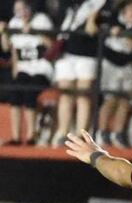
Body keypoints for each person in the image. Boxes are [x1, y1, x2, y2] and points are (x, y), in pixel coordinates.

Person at [96, 0, 132, 148]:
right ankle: (101, 132)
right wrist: (114, 31)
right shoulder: (112, 20)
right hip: (110, 64)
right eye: (131, 9)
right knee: (111, 98)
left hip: (127, 66)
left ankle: (118, 133)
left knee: (125, 100)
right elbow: (100, 36)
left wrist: (129, 38)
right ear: (124, 10)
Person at [51, 0, 106, 146]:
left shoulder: (101, 3)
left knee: (83, 95)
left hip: (87, 53)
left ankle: (81, 136)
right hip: (66, 52)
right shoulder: (69, 4)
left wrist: (92, 19)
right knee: (65, 94)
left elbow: (94, 29)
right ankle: (63, 133)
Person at [5, 0, 53, 146]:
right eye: (17, 9)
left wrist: (34, 31)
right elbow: (10, 49)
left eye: (24, 8)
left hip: (41, 67)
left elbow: (51, 45)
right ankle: (15, 137)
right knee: (14, 93)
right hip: (23, 67)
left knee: (30, 93)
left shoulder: (42, 20)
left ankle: (31, 135)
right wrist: (3, 33)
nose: (21, 12)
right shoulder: (14, 22)